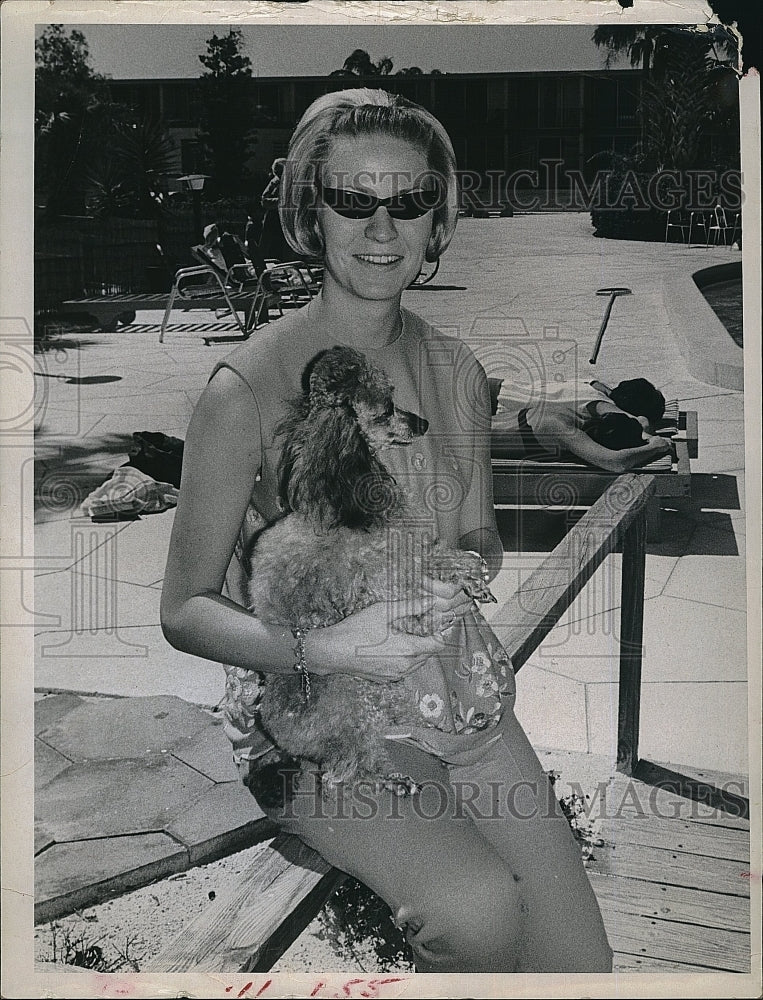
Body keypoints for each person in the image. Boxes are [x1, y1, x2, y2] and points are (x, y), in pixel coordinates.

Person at [161, 88, 613, 974]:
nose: (380, 227)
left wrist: (460, 569)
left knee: (577, 962)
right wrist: (327, 648)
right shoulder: (242, 388)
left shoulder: (456, 368)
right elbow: (183, 609)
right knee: (478, 915)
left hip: (460, 699)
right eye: (352, 199)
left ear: (436, 219)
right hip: (315, 723)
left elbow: (479, 536)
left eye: (407, 202)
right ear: (309, 210)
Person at [493, 375, 674, 472]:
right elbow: (615, 462)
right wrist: (655, 446)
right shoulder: (564, 429)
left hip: (485, 407)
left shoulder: (569, 416)